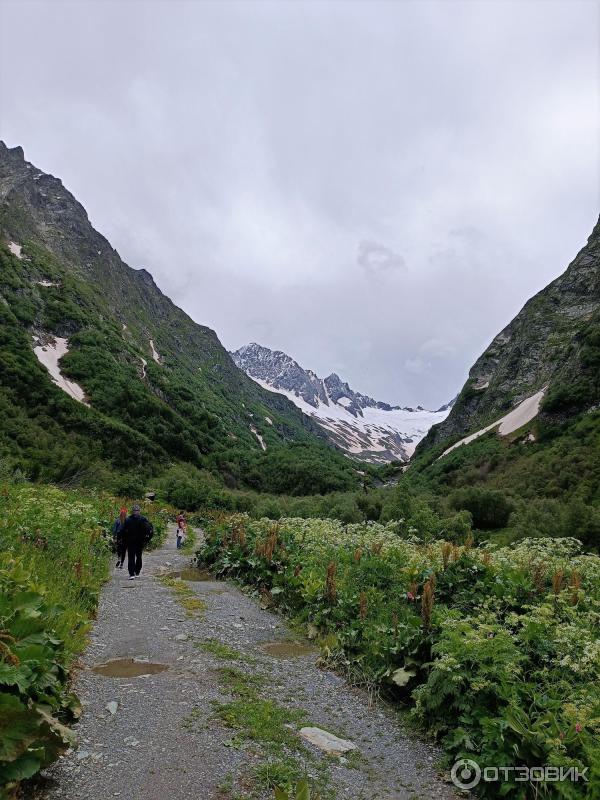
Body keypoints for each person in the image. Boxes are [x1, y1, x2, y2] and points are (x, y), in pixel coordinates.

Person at [121, 504, 154, 579]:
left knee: (131, 557)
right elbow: (150, 529)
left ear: (132, 511)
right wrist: (147, 540)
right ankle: (137, 572)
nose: (136, 512)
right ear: (139, 511)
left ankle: (131, 574)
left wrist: (123, 541)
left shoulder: (128, 519)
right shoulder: (143, 519)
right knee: (139, 556)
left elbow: (123, 531)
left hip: (130, 542)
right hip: (140, 541)